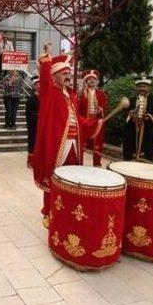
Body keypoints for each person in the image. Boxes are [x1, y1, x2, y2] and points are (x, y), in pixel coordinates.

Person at [32, 52, 103, 230]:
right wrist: (47, 58)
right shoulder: (49, 93)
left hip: (73, 144)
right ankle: (47, 212)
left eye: (68, 74)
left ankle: (64, 208)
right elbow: (45, 76)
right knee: (52, 177)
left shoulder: (71, 96)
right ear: (54, 76)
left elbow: (77, 119)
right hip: (56, 144)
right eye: (64, 74)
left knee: (69, 177)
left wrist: (94, 123)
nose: (67, 77)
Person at [122, 74, 153, 162]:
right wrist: (130, 114)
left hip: (149, 131)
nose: (142, 88)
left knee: (148, 151)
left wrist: (150, 116)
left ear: (149, 87)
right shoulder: (131, 100)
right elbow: (124, 111)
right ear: (136, 88)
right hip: (132, 130)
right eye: (140, 86)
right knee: (130, 150)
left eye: (144, 86)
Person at [78, 69, 108, 167]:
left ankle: (97, 165)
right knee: (81, 145)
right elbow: (77, 108)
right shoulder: (81, 93)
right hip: (83, 123)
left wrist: (101, 110)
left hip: (96, 124)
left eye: (94, 79)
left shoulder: (101, 94)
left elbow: (104, 106)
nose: (92, 81)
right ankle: (78, 164)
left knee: (97, 145)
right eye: (90, 79)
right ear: (86, 81)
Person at [25, 75, 40, 168]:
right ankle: (31, 161)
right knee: (32, 141)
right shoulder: (30, 99)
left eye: (40, 84)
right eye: (36, 84)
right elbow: (28, 113)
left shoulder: (44, 98)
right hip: (33, 124)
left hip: (42, 124)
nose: (38, 86)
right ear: (34, 86)